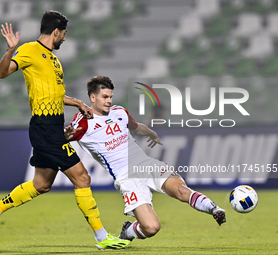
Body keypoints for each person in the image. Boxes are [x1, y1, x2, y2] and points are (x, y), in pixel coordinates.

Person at [0, 11, 130, 250]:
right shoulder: (29, 50)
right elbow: (2, 73)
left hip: (51, 127)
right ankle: (102, 237)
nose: (65, 39)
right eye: (64, 34)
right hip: (44, 128)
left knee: (41, 184)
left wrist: (79, 103)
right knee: (82, 177)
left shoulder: (54, 60)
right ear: (56, 32)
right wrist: (10, 50)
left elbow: (57, 95)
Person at [65, 75, 226, 242]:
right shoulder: (83, 123)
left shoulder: (119, 112)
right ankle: (129, 231)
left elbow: (136, 128)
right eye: (104, 97)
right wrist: (66, 135)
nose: (109, 101)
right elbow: (61, 138)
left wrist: (150, 132)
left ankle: (214, 209)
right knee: (151, 227)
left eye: (110, 97)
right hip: (126, 177)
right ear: (93, 97)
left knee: (181, 190)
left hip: (146, 164)